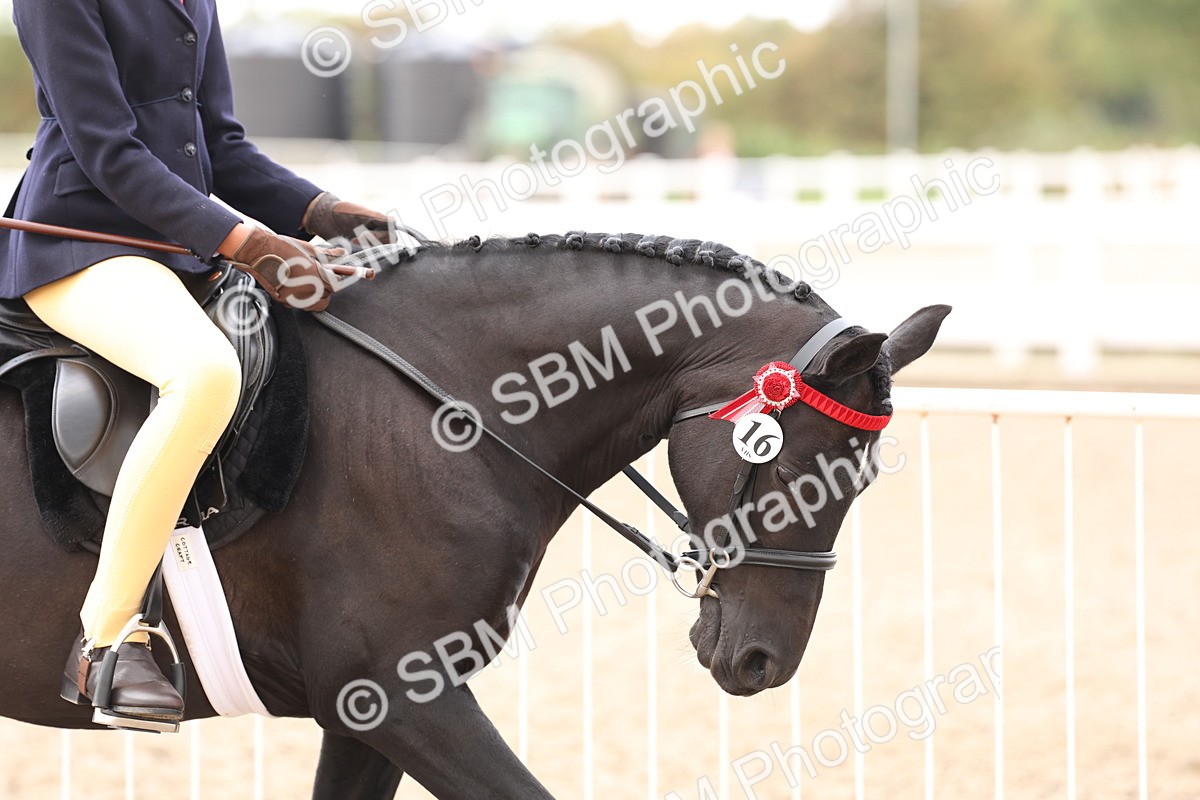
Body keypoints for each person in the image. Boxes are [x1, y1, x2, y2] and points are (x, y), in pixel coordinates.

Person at [0, 0, 397, 729]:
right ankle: (108, 640)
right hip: (78, 246)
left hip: (181, 250)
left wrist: (319, 210)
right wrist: (247, 242)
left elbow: (221, 146)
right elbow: (106, 148)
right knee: (202, 373)